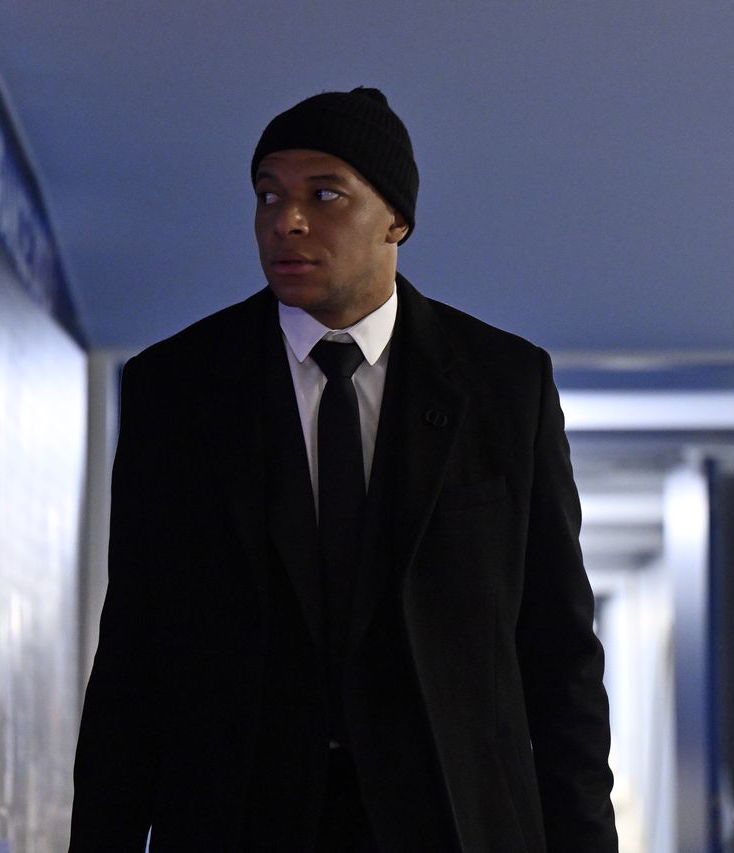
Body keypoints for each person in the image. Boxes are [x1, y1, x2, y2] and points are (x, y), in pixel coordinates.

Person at [70, 86, 617, 852]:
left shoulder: (503, 385)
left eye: (324, 194)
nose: (285, 221)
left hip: (451, 817)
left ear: (396, 219)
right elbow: (133, 657)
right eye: (269, 194)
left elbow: (559, 658)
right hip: (238, 817)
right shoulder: (178, 389)